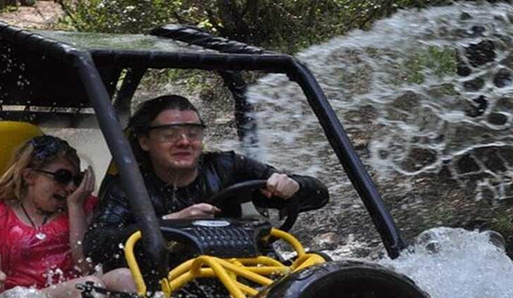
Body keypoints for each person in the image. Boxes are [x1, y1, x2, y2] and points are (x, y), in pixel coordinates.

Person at [84, 94, 330, 269]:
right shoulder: (127, 186)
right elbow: (95, 247)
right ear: (144, 141)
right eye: (170, 135)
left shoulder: (228, 166)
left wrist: (294, 186)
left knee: (319, 265)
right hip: (173, 282)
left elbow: (319, 195)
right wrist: (170, 224)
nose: (184, 142)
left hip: (245, 269)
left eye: (193, 133)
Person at [0, 135, 133, 298]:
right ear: (29, 176)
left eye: (76, 179)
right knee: (89, 286)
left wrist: (75, 207)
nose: (71, 188)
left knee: (124, 277)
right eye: (62, 177)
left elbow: (85, 267)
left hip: (78, 291)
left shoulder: (81, 206)